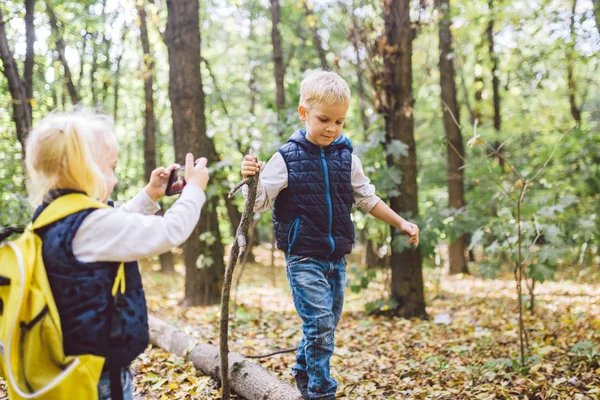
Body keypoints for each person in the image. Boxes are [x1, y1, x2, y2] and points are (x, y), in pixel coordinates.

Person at [241, 71, 419, 400]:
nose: (331, 128)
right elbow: (259, 204)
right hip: (303, 256)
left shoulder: (346, 158)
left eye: (339, 122)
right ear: (303, 113)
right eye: (324, 119)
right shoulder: (286, 158)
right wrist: (252, 179)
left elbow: (368, 198)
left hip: (336, 259)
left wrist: (402, 223)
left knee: (326, 325)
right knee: (321, 323)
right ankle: (322, 391)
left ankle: (302, 371)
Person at [25, 108, 209, 400]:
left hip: (65, 365)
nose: (113, 178)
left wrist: (150, 195)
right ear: (84, 170)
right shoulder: (91, 224)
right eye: (109, 168)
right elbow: (169, 232)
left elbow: (113, 223)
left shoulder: (50, 216)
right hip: (98, 376)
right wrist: (195, 190)